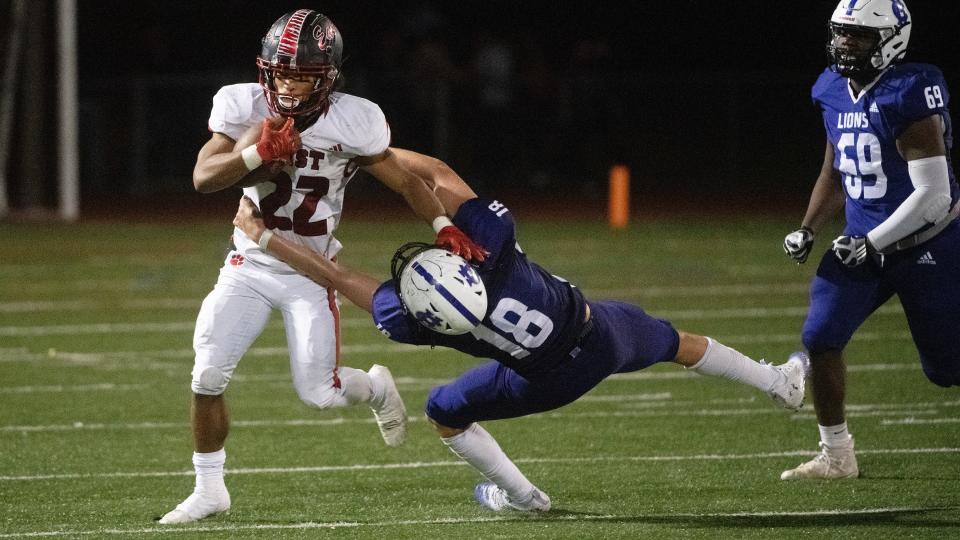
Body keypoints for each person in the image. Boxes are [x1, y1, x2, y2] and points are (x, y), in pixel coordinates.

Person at [231, 148, 810, 511]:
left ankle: (524, 498)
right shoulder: (493, 248)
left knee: (444, 410)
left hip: (543, 379)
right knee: (676, 343)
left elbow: (332, 273)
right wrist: (366, 153)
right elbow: (434, 173)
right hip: (597, 332)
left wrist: (262, 238)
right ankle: (778, 383)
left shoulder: (412, 318)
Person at [158, 10, 486, 525]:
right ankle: (209, 489)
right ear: (265, 69)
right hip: (248, 262)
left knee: (320, 395)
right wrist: (256, 154)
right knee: (206, 374)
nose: (288, 85)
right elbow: (203, 177)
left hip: (311, 271)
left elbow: (405, 181)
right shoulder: (242, 105)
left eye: (303, 75)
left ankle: (375, 387)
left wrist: (443, 223)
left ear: (328, 77)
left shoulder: (353, 120)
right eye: (281, 72)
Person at [781, 0, 959, 480]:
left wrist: (873, 242)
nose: (844, 43)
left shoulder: (910, 89)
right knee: (821, 335)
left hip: (929, 242)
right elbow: (835, 172)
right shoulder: (831, 89)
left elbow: (934, 195)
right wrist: (807, 228)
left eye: (858, 35)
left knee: (946, 371)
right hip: (862, 243)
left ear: (891, 40)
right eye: (841, 32)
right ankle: (837, 456)